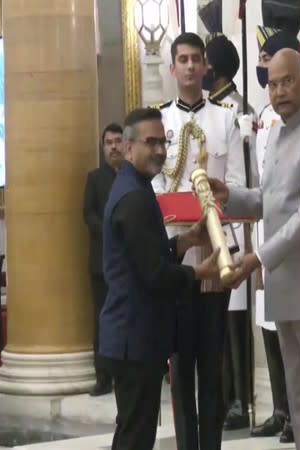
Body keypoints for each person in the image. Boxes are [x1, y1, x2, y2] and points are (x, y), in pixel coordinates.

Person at [207, 49, 300, 450]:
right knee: (299, 404)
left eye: (287, 81)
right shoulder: (278, 130)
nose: (279, 91)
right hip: (285, 287)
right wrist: (231, 197)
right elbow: (272, 199)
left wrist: (257, 258)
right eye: (272, 83)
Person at [97, 107, 220, 450]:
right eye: (150, 142)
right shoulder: (134, 197)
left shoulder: (133, 186)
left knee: (131, 432)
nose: (159, 150)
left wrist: (184, 241)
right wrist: (199, 272)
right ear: (127, 147)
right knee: (136, 436)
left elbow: (142, 255)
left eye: (162, 142)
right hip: (134, 337)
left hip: (130, 335)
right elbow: (153, 275)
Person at [151, 32, 246, 450]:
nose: (190, 67)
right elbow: (154, 185)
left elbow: (239, 185)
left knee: (212, 363)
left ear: (206, 66)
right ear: (172, 68)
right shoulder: (159, 122)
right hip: (177, 250)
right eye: (182, 60)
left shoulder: (226, 118)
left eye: (196, 60)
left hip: (216, 248)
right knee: (180, 362)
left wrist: (232, 248)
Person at [202, 32, 257, 431]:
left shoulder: (236, 110)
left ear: (215, 68)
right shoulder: (212, 108)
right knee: (219, 329)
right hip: (213, 227)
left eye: (203, 61)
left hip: (236, 227)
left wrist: (240, 233)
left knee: (236, 327)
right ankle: (223, 396)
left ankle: (241, 398)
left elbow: (244, 177)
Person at [249, 25, 300, 443]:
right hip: (267, 240)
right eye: (267, 68)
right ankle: (282, 409)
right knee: (271, 330)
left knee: (298, 340)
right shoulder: (265, 120)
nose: (273, 82)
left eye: (284, 78)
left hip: (295, 249)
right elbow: (262, 189)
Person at [83, 122, 123, 396]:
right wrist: (109, 231)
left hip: (129, 263)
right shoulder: (95, 178)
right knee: (102, 320)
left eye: (118, 141)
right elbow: (88, 214)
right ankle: (103, 376)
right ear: (103, 146)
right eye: (109, 142)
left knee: (126, 318)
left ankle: (124, 372)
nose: (113, 147)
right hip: (101, 262)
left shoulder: (133, 176)